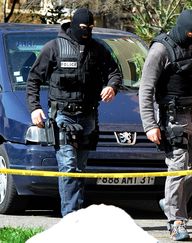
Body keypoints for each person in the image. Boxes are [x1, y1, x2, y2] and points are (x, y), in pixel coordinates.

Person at [26, 8, 122, 217]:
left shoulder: (97, 49)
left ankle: (76, 214)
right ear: (73, 25)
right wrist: (34, 108)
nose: (86, 32)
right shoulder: (54, 48)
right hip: (62, 115)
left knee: (80, 167)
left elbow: (115, 72)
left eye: (90, 28)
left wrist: (112, 87)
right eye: (82, 28)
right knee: (68, 166)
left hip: (88, 115)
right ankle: (70, 217)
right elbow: (33, 79)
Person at [138, 9, 192, 241]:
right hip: (172, 117)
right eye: (189, 34)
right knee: (177, 169)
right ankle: (176, 221)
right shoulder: (160, 50)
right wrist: (150, 125)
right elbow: (146, 89)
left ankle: (170, 201)